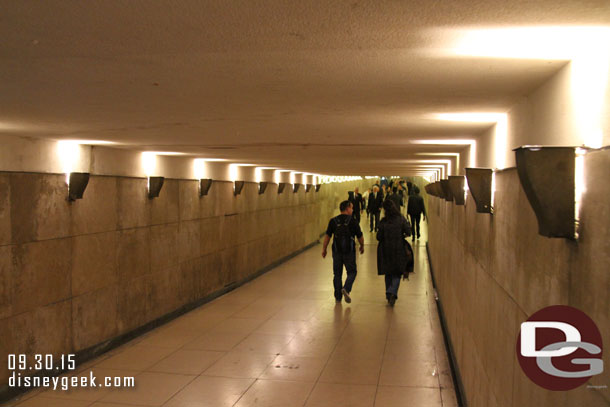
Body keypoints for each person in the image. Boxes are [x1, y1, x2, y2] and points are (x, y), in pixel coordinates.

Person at [322, 200, 365, 303]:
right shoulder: (353, 221)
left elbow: (327, 236)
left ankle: (338, 297)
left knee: (337, 274)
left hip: (336, 252)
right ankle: (346, 288)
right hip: (349, 252)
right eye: (352, 207)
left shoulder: (333, 221)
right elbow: (360, 237)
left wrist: (324, 248)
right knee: (352, 272)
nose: (353, 209)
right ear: (347, 208)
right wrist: (362, 246)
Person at [377, 200, 413, 306]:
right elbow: (409, 232)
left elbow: (378, 237)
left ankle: (389, 294)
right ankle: (392, 291)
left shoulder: (384, 221)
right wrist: (401, 235)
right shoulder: (401, 219)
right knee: (397, 272)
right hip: (399, 248)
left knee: (388, 272)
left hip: (385, 249)